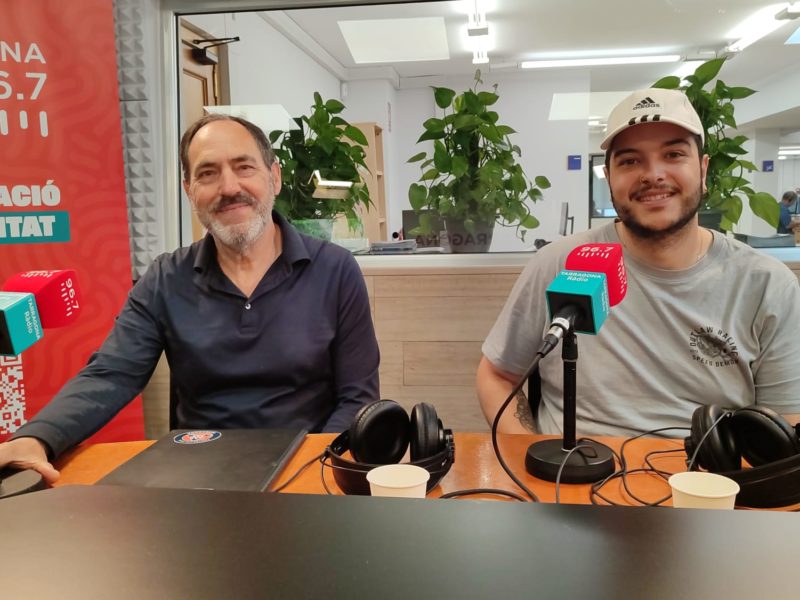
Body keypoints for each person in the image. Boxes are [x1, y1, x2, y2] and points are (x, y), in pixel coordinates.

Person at [0, 114, 380, 483]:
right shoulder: (165, 278)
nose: (229, 187)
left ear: (274, 176)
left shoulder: (335, 270)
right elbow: (112, 374)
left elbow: (357, 398)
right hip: (197, 478)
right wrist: (37, 437)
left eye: (244, 167)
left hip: (307, 468)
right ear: (189, 190)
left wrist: (315, 468)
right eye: (207, 173)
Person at [477, 88, 800, 436]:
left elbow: (785, 424)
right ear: (610, 177)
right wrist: (526, 450)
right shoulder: (559, 264)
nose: (653, 174)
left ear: (704, 171)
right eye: (630, 161)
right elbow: (497, 374)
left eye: (673, 154)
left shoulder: (767, 284)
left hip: (702, 480)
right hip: (567, 478)